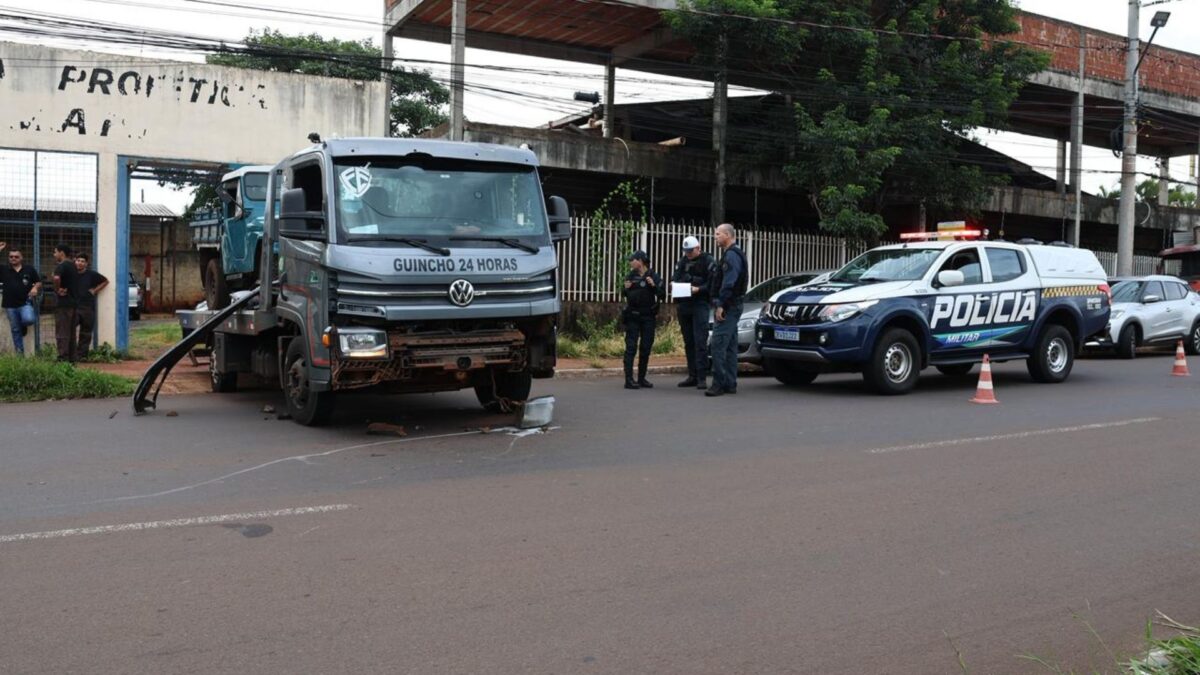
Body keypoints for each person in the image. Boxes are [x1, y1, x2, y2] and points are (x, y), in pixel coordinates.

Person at [706, 223, 748, 397]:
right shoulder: (735, 254)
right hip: (734, 304)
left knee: (718, 345)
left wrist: (721, 305)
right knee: (730, 346)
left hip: (729, 306)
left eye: (718, 234)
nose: (715, 237)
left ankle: (719, 384)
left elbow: (729, 283)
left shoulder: (731, 256)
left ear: (728, 235)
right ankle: (730, 383)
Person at [671, 235, 714, 389]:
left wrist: (698, 288)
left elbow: (713, 283)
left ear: (698, 248)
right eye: (686, 251)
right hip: (685, 304)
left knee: (700, 341)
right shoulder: (683, 261)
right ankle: (692, 375)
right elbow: (675, 278)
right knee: (689, 341)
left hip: (700, 303)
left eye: (690, 251)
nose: (688, 254)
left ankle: (702, 377)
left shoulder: (707, 261)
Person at [621, 250, 664, 390]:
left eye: (632, 260)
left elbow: (662, 294)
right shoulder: (630, 276)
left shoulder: (653, 275)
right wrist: (624, 288)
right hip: (632, 316)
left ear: (640, 261)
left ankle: (641, 378)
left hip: (648, 316)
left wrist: (654, 285)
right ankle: (629, 379)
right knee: (631, 347)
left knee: (646, 347)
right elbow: (624, 294)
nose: (630, 262)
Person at [0, 242, 42, 355]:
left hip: (25, 302)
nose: (13, 258)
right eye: (11, 257)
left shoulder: (29, 269)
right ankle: (20, 353)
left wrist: (35, 288)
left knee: (29, 319)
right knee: (15, 330)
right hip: (9, 305)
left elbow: (38, 282)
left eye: (16, 256)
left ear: (21, 257)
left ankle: (23, 325)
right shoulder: (4, 269)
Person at [71, 252, 108, 362]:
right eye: (78, 261)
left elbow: (105, 281)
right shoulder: (71, 274)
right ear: (75, 261)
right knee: (70, 329)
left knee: (86, 332)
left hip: (87, 307)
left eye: (83, 261)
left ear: (86, 263)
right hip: (73, 307)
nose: (80, 263)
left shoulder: (91, 274)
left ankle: (82, 356)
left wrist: (95, 290)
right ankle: (71, 354)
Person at [51, 244, 78, 361]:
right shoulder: (73, 265)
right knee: (71, 333)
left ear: (61, 253)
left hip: (63, 304)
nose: (54, 254)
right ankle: (72, 359)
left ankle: (62, 358)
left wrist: (57, 289)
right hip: (73, 303)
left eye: (55, 252)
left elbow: (56, 278)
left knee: (62, 332)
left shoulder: (61, 266)